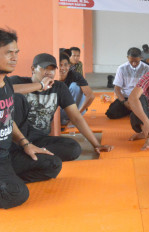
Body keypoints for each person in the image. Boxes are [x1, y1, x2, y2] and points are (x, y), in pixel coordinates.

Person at [0, 29, 61, 209]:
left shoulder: (7, 84)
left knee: (52, 164)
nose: (15, 57)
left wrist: (26, 144)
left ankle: (8, 180)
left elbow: (8, 121)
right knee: (17, 194)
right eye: (8, 52)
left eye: (16, 52)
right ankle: (9, 184)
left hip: (6, 155)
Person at [11, 53, 113, 161]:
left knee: (74, 148)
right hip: (17, 138)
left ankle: (26, 155)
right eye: (45, 68)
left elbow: (76, 117)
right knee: (17, 97)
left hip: (40, 139)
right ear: (33, 68)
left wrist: (96, 144)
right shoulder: (17, 81)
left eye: (52, 69)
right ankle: (28, 155)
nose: (49, 73)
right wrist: (40, 85)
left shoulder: (58, 87)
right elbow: (5, 91)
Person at [106, 47, 149, 119]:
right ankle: (132, 110)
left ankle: (133, 111)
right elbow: (117, 88)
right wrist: (124, 102)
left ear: (141, 58)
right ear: (127, 57)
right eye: (131, 61)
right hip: (125, 98)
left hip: (140, 98)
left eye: (136, 61)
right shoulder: (121, 68)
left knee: (144, 116)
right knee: (110, 113)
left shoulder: (147, 69)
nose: (133, 64)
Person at [59, 53, 95, 124]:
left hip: (76, 110)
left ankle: (74, 118)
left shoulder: (75, 75)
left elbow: (90, 96)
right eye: (60, 65)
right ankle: (63, 119)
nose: (62, 68)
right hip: (59, 111)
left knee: (75, 86)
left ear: (69, 66)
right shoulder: (52, 77)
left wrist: (78, 114)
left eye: (65, 65)